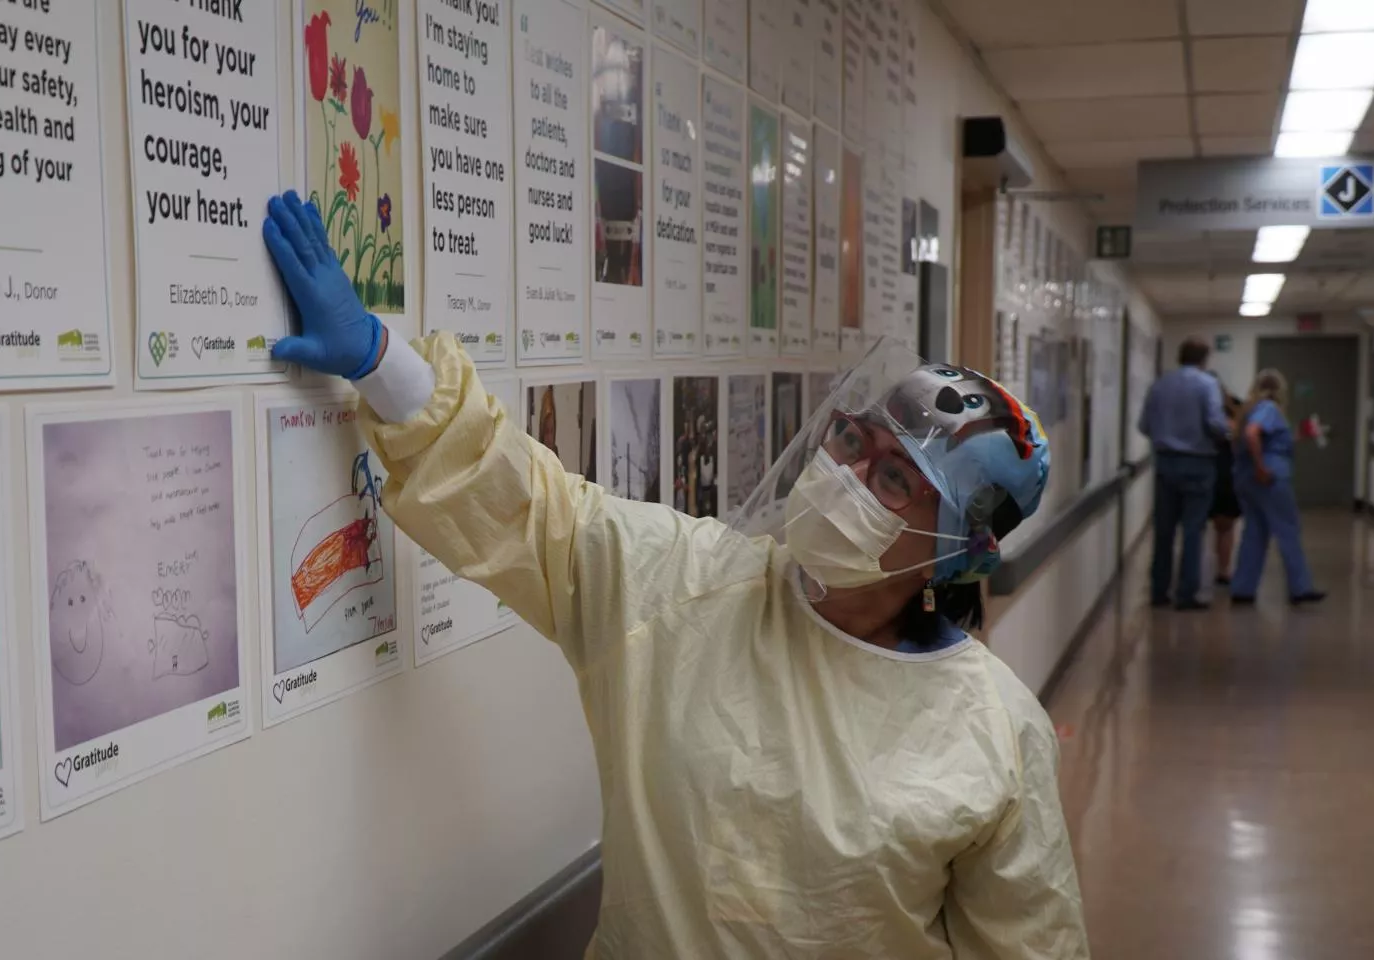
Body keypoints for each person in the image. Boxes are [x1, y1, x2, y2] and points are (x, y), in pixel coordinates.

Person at [261, 191, 1088, 958]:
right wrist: (379, 359)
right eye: (852, 441)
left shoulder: (992, 733)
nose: (849, 476)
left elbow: (1029, 945)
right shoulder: (678, 586)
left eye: (898, 478)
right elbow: (521, 502)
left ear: (959, 547)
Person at [1136, 338, 1230, 609]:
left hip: (1165, 463)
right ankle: (1187, 594)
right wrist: (1225, 434)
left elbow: (1144, 425)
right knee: (1192, 530)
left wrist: (1167, 435)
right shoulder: (1207, 384)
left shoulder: (1160, 384)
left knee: (1164, 531)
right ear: (1204, 359)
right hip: (1198, 464)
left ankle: (1159, 591)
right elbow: (1214, 422)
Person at [1229, 369, 1326, 606]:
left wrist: (1298, 436)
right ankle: (1300, 588)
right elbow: (1253, 435)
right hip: (1269, 480)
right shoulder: (1269, 408)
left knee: (1254, 532)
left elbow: (1259, 438)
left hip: (1245, 480)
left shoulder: (1248, 410)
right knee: (1287, 530)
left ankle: (1243, 589)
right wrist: (1261, 467)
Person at [1209, 380, 1243, 585]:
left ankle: (1222, 569)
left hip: (1223, 471)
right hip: (1222, 471)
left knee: (1224, 525)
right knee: (1224, 526)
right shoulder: (1233, 410)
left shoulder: (1234, 409)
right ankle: (1222, 570)